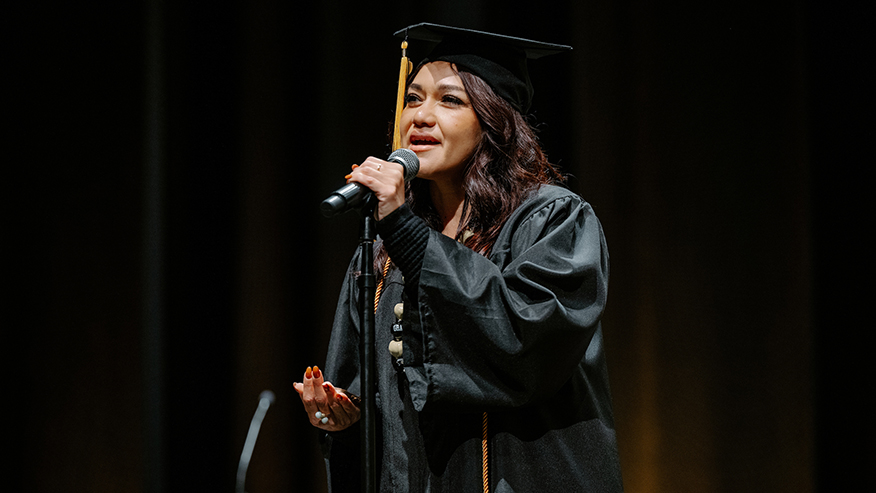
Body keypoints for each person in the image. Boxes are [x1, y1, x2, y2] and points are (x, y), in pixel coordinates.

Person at [295, 23, 623, 492]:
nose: (421, 117)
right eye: (413, 98)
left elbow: (519, 345)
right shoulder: (382, 253)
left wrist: (404, 227)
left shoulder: (553, 221)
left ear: (495, 121)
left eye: (449, 100)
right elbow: (364, 398)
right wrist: (338, 418)